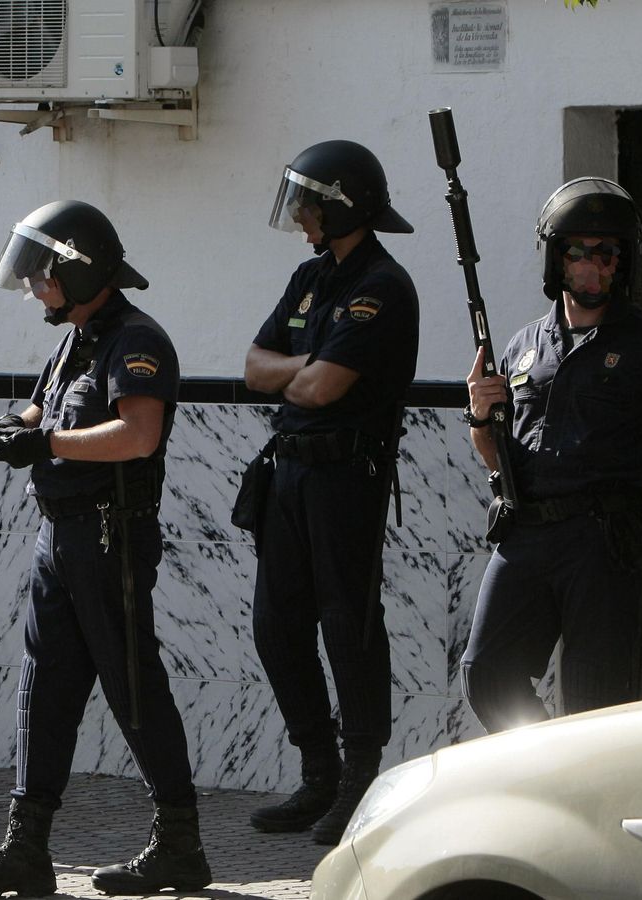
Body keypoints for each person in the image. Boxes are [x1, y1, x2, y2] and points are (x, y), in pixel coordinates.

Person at [0, 201, 211, 898]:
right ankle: (26, 850)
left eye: (44, 274)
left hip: (107, 536)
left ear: (79, 268)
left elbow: (138, 434)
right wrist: (14, 427)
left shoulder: (135, 339)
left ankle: (180, 842)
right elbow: (44, 405)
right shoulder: (80, 339)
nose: (35, 286)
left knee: (131, 686)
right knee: (46, 690)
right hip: (58, 534)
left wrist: (49, 443)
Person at [461, 177, 642, 733]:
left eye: (608, 254)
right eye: (579, 252)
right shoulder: (525, 344)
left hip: (604, 543)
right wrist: (481, 415)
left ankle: (585, 802)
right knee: (486, 671)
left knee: (595, 700)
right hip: (525, 533)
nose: (594, 266)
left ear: (622, 263)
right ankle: (547, 771)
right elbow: (496, 455)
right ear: (558, 259)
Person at [242, 140, 420, 845]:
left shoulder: (382, 284)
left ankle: (359, 778)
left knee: (348, 623)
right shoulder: (310, 277)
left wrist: (301, 370)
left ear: (343, 204)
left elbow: (321, 386)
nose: (300, 215)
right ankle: (317, 773)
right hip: (289, 470)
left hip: (347, 475)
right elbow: (254, 367)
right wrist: (305, 366)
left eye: (309, 203)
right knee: (275, 625)